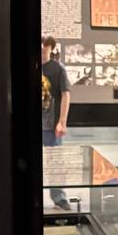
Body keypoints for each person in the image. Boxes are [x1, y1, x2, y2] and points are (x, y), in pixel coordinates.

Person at [41, 35, 71, 210]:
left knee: (55, 162)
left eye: (45, 49)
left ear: (50, 49)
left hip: (51, 125)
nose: (42, 51)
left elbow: (66, 94)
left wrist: (62, 121)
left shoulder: (58, 69)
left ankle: (59, 197)